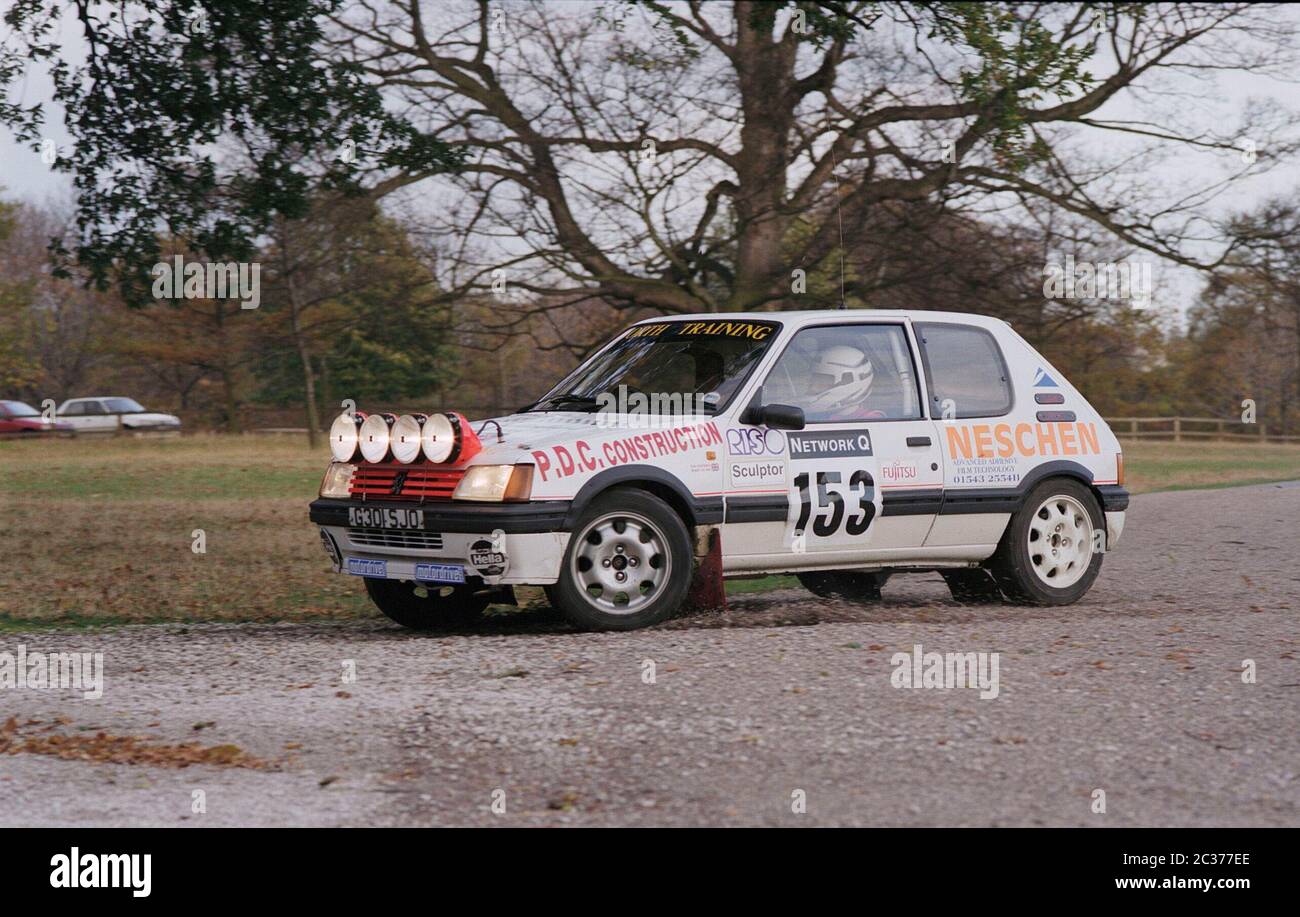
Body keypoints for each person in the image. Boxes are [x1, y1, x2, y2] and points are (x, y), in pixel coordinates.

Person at [804, 344, 886, 421]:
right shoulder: (812, 416)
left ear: (848, 383)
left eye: (822, 381)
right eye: (814, 379)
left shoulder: (871, 421)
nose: (813, 387)